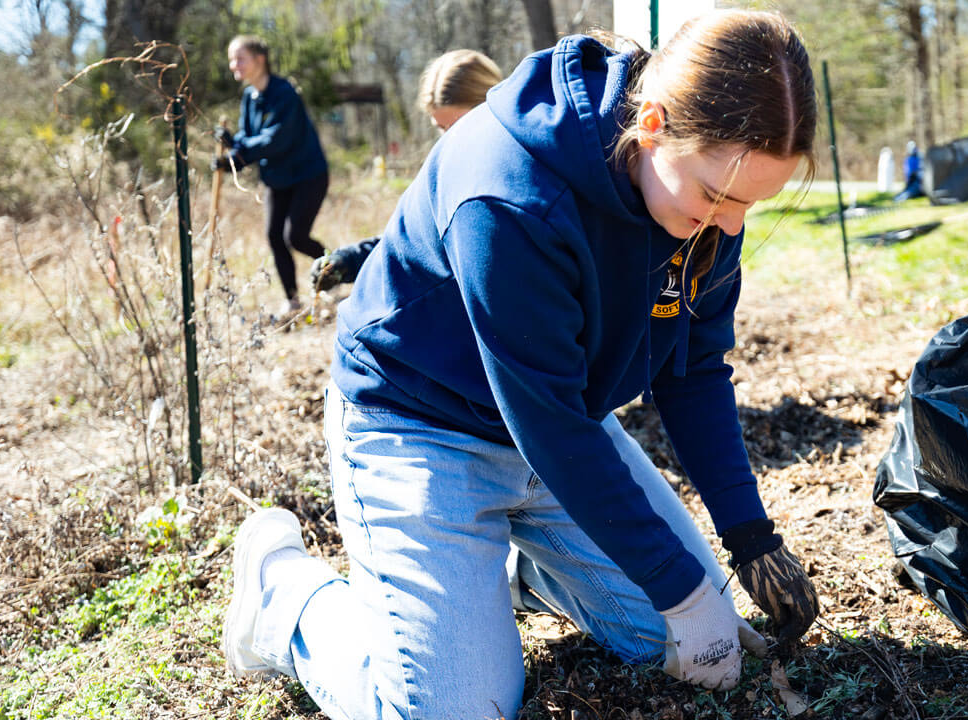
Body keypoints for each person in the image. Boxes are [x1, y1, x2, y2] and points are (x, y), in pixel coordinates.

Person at [222, 10, 822, 718]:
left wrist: (750, 535)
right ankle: (285, 596)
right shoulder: (511, 193)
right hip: (420, 426)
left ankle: (499, 572)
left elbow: (691, 372)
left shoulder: (703, 208)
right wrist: (679, 586)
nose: (730, 227)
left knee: (708, 656)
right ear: (653, 124)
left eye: (751, 204)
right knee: (451, 710)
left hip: (560, 425)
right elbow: (552, 425)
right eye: (718, 198)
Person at [309, 49, 503, 292]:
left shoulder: (520, 169)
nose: (450, 138)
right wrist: (350, 260)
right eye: (442, 128)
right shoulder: (445, 172)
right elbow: (412, 240)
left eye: (459, 125)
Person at [214, 35, 329, 314]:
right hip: (277, 178)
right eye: (232, 59)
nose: (234, 65)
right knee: (275, 237)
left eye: (239, 58)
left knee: (296, 237)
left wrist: (238, 152)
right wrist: (230, 155)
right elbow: (250, 136)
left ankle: (337, 268)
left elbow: (277, 139)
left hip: (307, 174)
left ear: (259, 59)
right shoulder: (249, 96)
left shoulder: (285, 93)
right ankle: (292, 300)